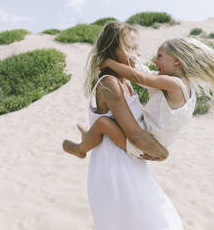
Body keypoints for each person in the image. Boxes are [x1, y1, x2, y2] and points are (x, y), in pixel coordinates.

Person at [65, 21, 185, 229]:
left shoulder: (126, 81)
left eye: (137, 48)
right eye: (130, 48)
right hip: (114, 168)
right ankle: (79, 148)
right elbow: (135, 134)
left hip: (132, 163)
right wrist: (162, 153)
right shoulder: (110, 83)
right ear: (111, 50)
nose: (137, 54)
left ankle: (81, 145)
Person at [63, 37, 214, 160]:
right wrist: (131, 60)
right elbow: (144, 73)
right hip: (152, 142)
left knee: (103, 123)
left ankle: (81, 148)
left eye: (160, 56)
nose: (155, 60)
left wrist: (111, 63)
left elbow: (140, 77)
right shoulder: (179, 86)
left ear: (176, 60)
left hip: (143, 145)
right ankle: (88, 138)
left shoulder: (173, 84)